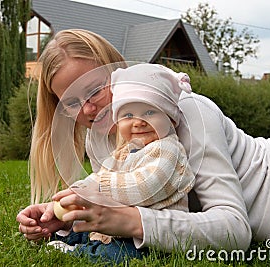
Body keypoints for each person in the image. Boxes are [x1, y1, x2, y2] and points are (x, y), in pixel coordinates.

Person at [16, 29, 270, 256]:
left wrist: (132, 222)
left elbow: (235, 229)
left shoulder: (185, 109)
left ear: (118, 74)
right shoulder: (99, 140)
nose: (87, 110)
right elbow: (119, 202)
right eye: (70, 102)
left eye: (95, 90)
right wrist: (65, 216)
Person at [46, 63, 196, 263]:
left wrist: (100, 188)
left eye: (150, 112)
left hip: (151, 236)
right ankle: (68, 236)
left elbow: (145, 186)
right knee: (86, 227)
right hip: (122, 227)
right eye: (127, 115)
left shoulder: (168, 150)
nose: (138, 122)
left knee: (115, 254)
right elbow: (102, 174)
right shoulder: (127, 149)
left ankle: (80, 252)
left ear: (171, 118)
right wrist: (79, 191)